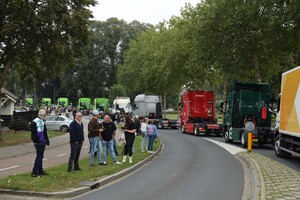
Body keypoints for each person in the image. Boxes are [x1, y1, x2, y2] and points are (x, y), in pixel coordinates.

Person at [31, 108, 50, 177]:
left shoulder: (34, 121)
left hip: (37, 142)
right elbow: (42, 132)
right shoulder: (40, 122)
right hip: (40, 142)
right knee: (39, 157)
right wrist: (44, 141)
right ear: (44, 115)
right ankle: (35, 172)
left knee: (40, 157)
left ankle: (40, 171)